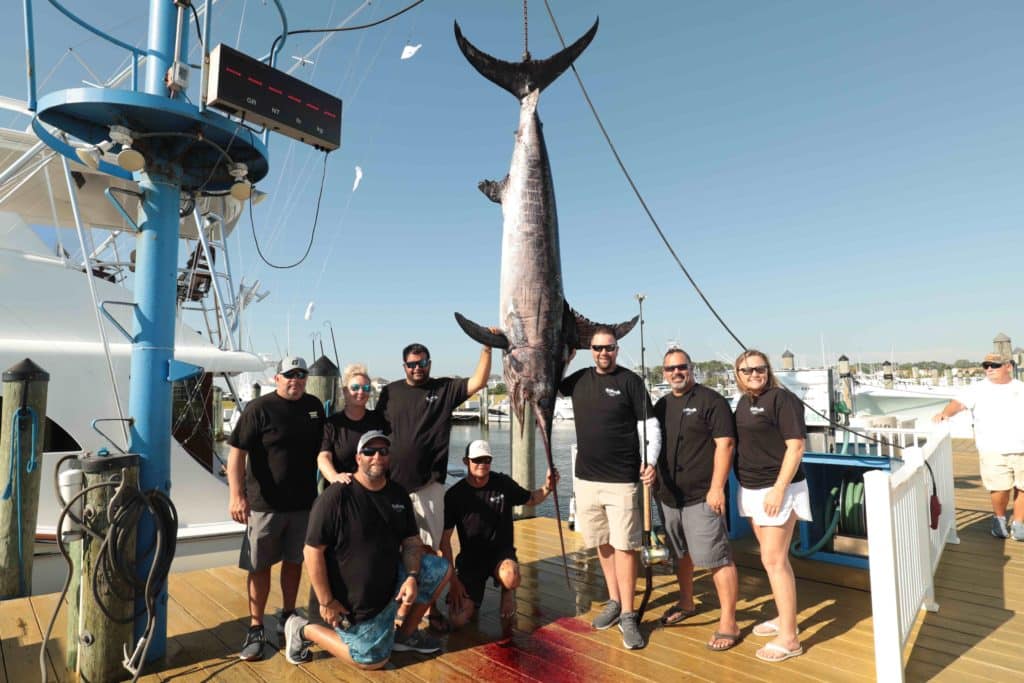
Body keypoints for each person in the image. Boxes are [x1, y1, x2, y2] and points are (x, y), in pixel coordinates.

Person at [284, 431, 452, 669]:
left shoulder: (398, 494)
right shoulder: (336, 496)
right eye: (369, 451)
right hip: (351, 602)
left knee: (440, 569)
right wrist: (326, 601)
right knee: (372, 661)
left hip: (389, 586)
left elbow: (412, 540)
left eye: (383, 451)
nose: (377, 457)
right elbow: (311, 551)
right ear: (358, 458)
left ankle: (403, 637)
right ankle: (303, 628)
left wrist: (413, 576)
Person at [558, 326, 659, 650]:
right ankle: (615, 601)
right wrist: (566, 358)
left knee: (625, 547)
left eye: (610, 348)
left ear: (616, 349)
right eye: (598, 348)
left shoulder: (630, 381)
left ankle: (629, 614)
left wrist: (651, 461)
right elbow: (554, 387)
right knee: (602, 543)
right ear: (591, 350)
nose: (604, 353)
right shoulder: (579, 379)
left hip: (622, 480)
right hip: (587, 479)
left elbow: (650, 426)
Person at [227, 356, 325, 661]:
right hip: (263, 505)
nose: (295, 380)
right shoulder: (258, 408)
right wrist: (236, 495)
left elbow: (327, 448)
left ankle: (287, 613)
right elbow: (236, 455)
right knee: (259, 565)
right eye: (288, 376)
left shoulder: (314, 406)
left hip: (303, 504)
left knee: (295, 562)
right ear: (276, 379)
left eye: (300, 375)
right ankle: (256, 626)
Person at [653, 348, 740, 651]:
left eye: (681, 367)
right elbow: (653, 444)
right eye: (669, 369)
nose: (675, 372)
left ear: (691, 368)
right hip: (667, 496)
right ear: (663, 373)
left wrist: (717, 487)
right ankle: (686, 602)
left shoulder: (711, 401)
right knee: (681, 555)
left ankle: (729, 621)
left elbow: (725, 445)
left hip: (702, 495)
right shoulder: (661, 405)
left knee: (717, 558)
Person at [376, 342, 492, 550]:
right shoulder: (390, 392)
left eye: (422, 362)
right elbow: (374, 431)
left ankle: (432, 584)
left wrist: (486, 349)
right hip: (391, 485)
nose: (417, 367)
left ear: (429, 363)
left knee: (429, 548)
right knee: (392, 546)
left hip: (429, 485)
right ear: (404, 366)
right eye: (412, 364)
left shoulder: (445, 388)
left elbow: (479, 381)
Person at [733, 349, 809, 663]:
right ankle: (784, 616)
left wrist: (778, 489)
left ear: (768, 369)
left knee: (774, 560)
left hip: (777, 489)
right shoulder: (742, 402)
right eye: (746, 370)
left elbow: (796, 445)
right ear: (737, 375)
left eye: (759, 369)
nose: (754, 374)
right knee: (772, 561)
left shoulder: (782, 400)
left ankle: (789, 638)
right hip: (751, 489)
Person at [440, 440, 558, 639]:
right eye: (477, 459)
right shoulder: (454, 495)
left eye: (487, 459)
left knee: (511, 575)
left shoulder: (503, 483)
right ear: (465, 461)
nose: (482, 463)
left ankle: (507, 593)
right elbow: (445, 541)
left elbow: (531, 499)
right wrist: (453, 581)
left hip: (500, 555)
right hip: (470, 561)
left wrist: (548, 487)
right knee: (457, 620)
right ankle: (474, 600)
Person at [933, 352, 1024, 540]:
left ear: (1009, 366)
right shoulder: (977, 389)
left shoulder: (1020, 388)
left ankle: (1019, 524)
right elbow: (957, 404)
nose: (989, 368)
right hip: (992, 448)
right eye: (986, 365)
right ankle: (999, 521)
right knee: (999, 488)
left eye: (995, 365)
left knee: (1023, 487)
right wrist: (945, 414)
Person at [317, 363, 388, 484]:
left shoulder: (378, 420)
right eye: (355, 388)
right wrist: (334, 477)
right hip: (344, 490)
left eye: (366, 388)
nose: (361, 392)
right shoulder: (333, 424)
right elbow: (324, 457)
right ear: (345, 391)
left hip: (373, 490)